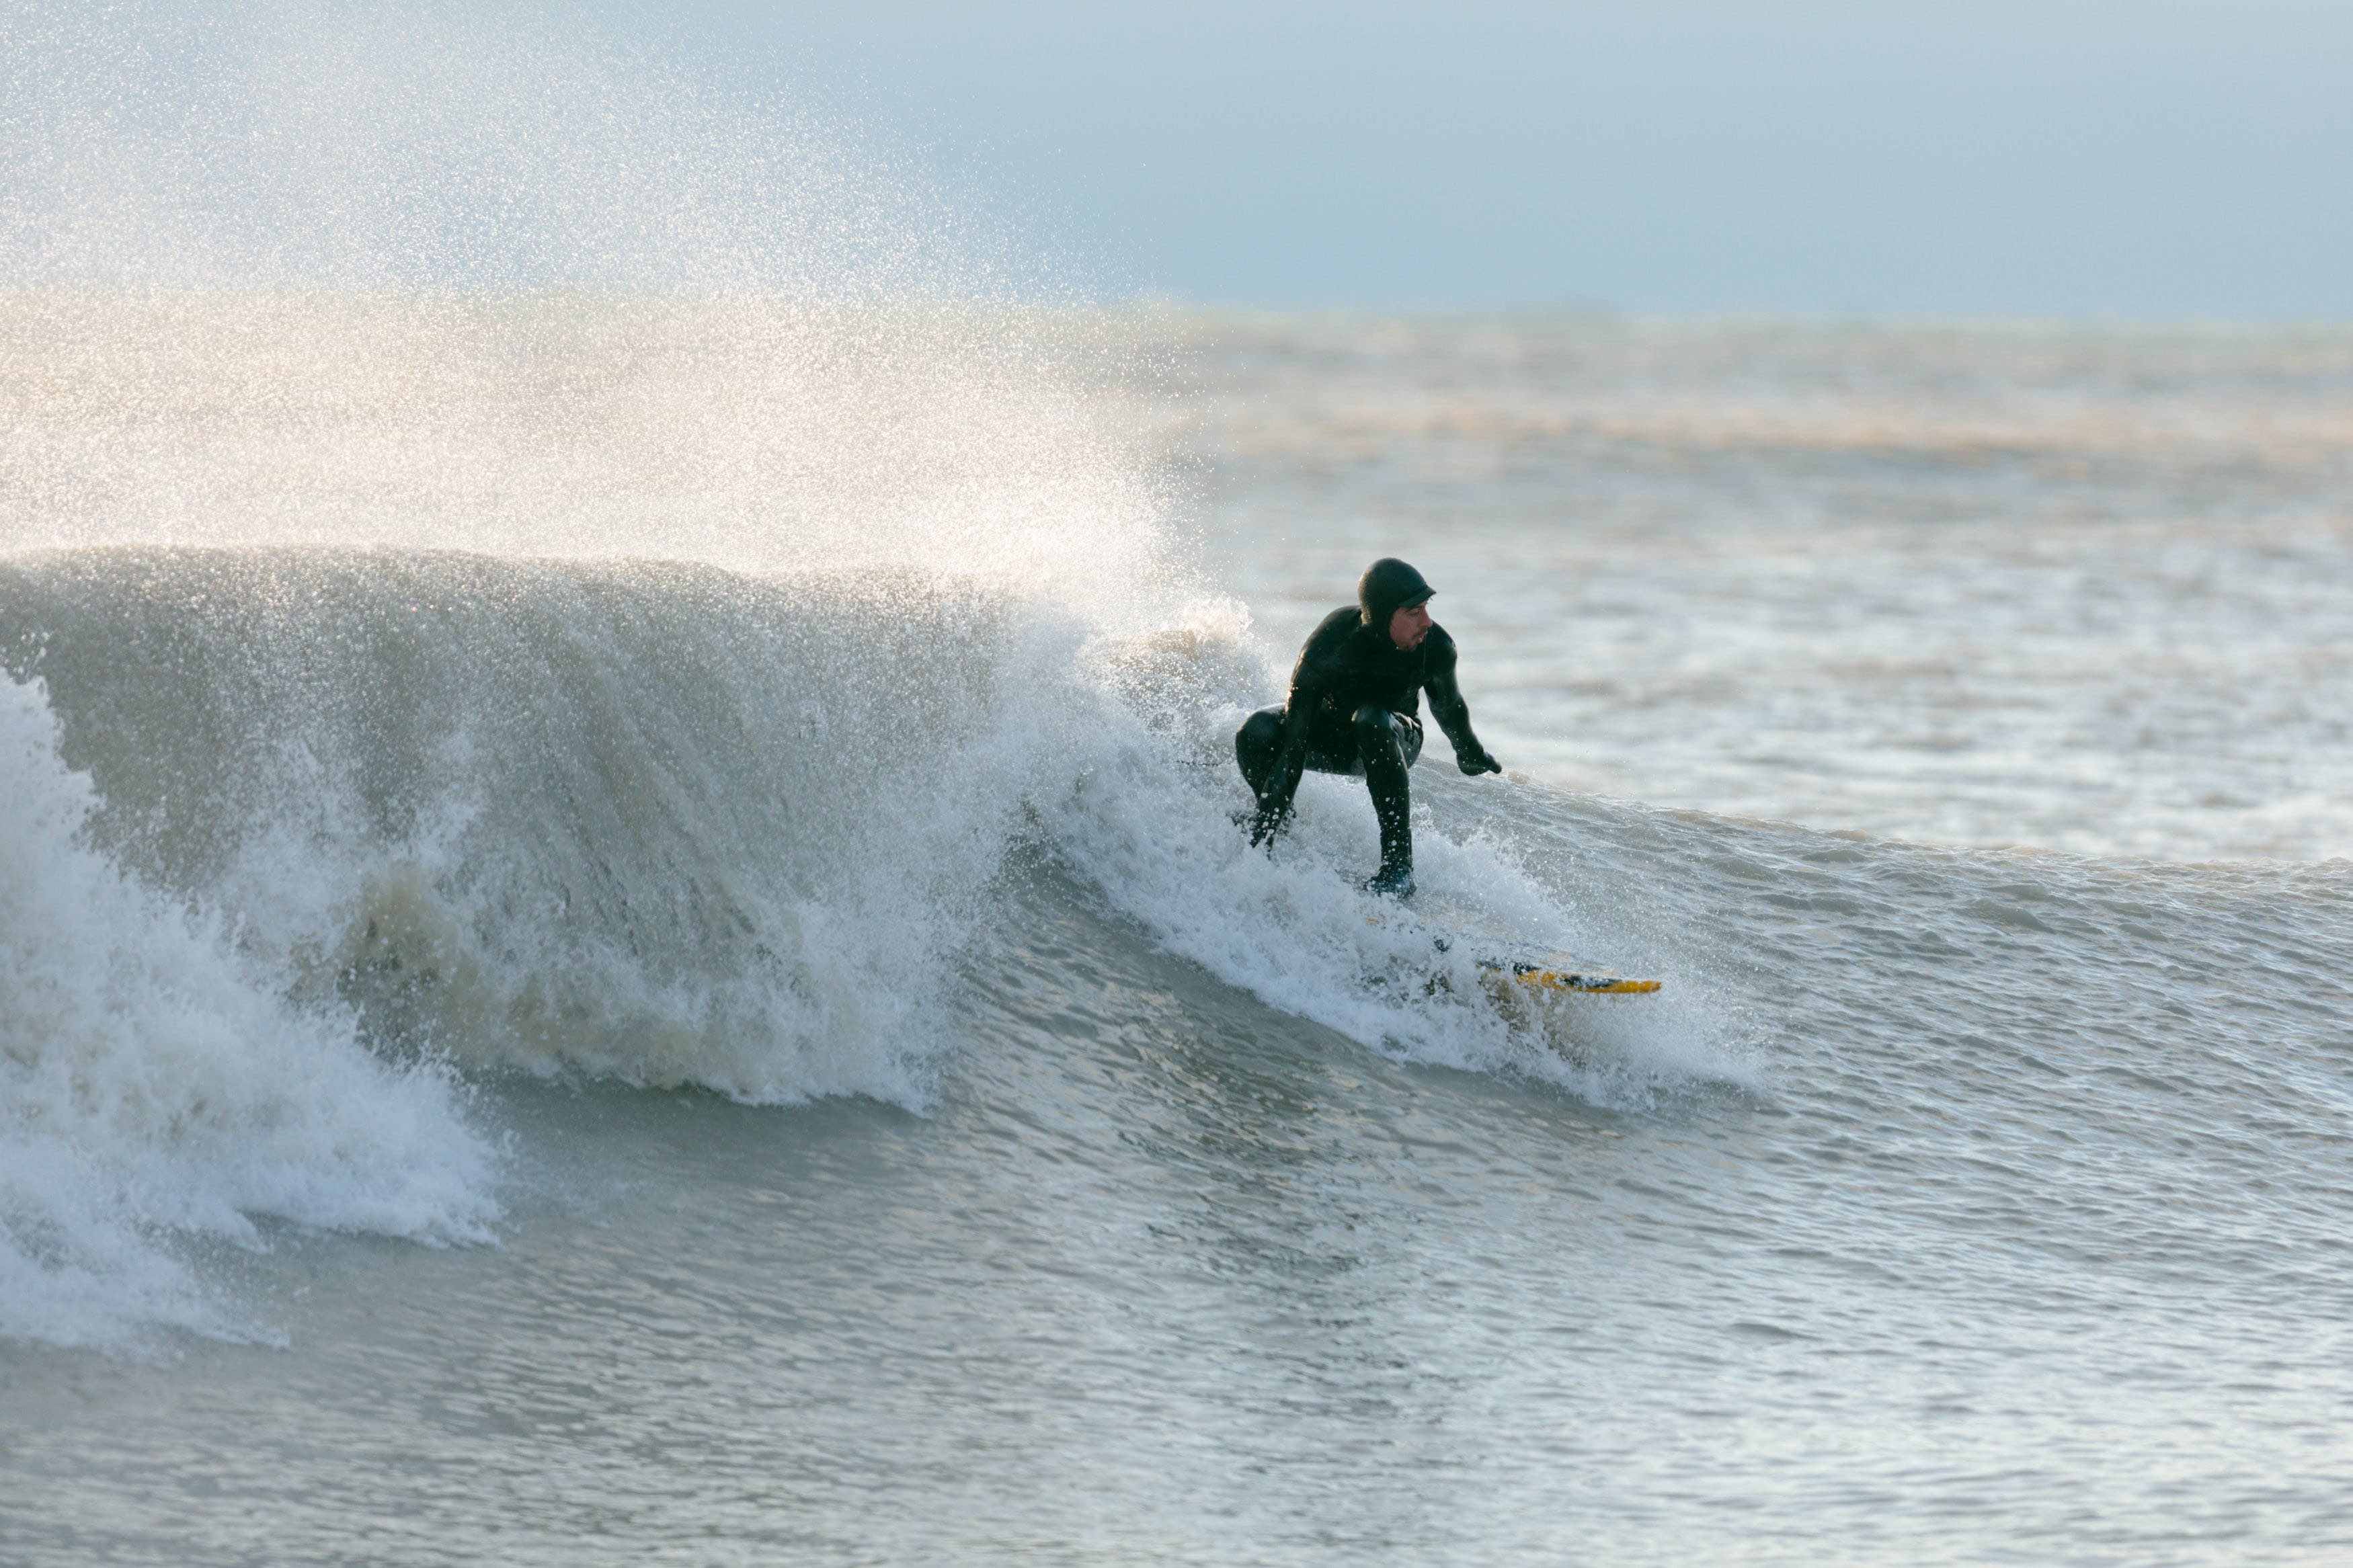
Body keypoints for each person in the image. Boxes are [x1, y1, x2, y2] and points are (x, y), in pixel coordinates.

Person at [1235, 557, 1501, 898]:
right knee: (1256, 730)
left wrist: (1469, 752)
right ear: (1381, 614)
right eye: (1412, 612)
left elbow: (1448, 707)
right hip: (1333, 737)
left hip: (1395, 737)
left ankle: (1398, 867)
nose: (1426, 622)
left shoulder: (1435, 647)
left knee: (1371, 718)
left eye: (1425, 608)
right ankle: (1278, 824)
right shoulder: (1328, 647)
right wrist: (1262, 843)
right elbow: (1294, 748)